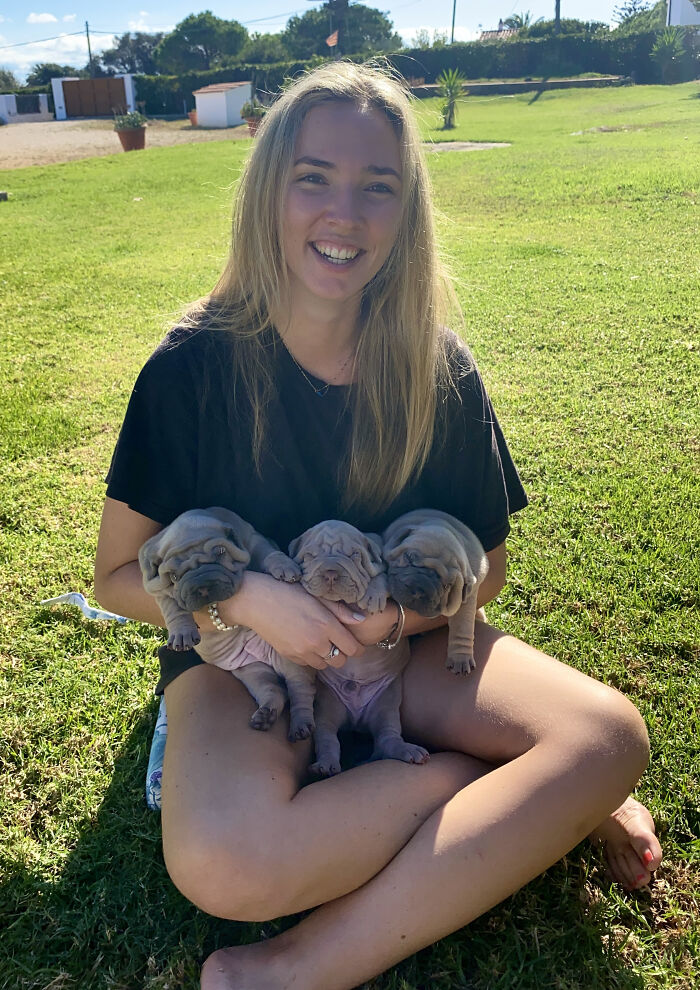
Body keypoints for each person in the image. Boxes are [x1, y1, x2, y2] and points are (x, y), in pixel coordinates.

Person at [94, 61, 662, 990]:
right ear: (268, 190)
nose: (343, 214)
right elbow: (116, 577)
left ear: (408, 213)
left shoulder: (439, 369)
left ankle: (295, 970)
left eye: (378, 186)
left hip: (402, 651)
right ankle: (497, 793)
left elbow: (485, 571)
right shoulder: (188, 369)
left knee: (607, 741)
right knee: (227, 867)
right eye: (312, 176)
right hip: (244, 669)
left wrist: (393, 625)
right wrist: (250, 599)